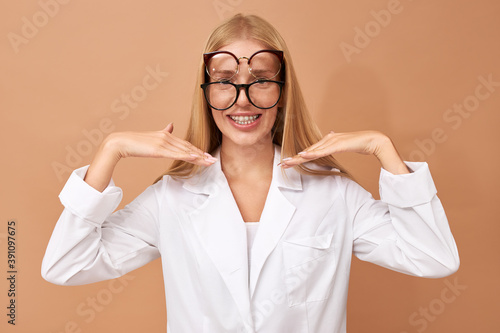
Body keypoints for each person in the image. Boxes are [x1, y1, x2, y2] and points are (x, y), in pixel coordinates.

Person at [42, 13, 460, 333]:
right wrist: (109, 151)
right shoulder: (172, 198)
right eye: (225, 81)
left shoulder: (334, 194)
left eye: (260, 80)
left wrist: (382, 149)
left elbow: (434, 257)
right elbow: (65, 265)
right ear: (207, 94)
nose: (242, 100)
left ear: (282, 93)